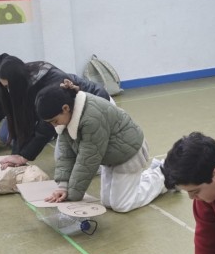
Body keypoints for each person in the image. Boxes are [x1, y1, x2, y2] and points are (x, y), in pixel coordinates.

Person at [34, 80, 165, 213]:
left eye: (54, 121)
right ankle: (146, 176)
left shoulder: (92, 118)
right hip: (111, 157)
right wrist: (62, 187)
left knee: (122, 205)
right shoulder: (66, 118)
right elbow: (66, 155)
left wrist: (72, 196)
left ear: (65, 108)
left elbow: (87, 160)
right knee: (107, 202)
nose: (54, 125)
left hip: (130, 153)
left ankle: (163, 175)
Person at [0, 56, 111, 169]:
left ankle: (101, 155)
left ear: (17, 81)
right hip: (69, 113)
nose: (8, 91)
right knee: (62, 159)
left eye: (8, 87)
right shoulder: (24, 81)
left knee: (78, 165)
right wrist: (16, 155)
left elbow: (46, 126)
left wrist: (24, 156)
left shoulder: (52, 83)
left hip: (96, 104)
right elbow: (22, 122)